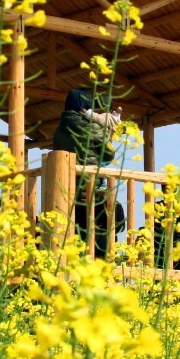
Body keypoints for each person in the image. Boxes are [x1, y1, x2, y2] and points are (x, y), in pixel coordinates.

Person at [52, 89, 121, 259]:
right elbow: (109, 153)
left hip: (66, 191)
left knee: (75, 231)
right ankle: (103, 264)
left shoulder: (59, 130)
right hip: (91, 191)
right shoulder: (89, 127)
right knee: (102, 228)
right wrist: (109, 125)